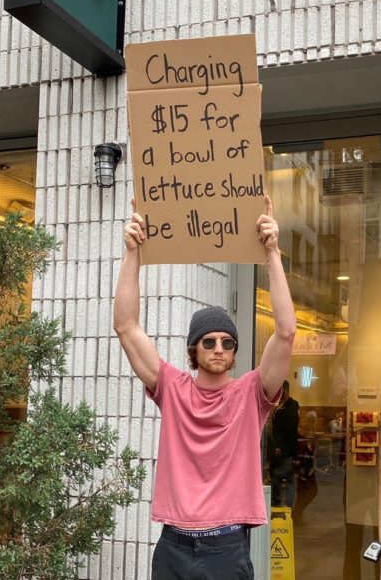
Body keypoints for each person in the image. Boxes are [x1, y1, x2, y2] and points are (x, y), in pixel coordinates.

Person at [113, 196, 295, 580]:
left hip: (226, 548)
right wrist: (132, 253)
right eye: (208, 341)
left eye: (227, 342)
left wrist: (273, 253)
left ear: (234, 351)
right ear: (194, 348)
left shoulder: (252, 393)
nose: (218, 348)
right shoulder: (172, 387)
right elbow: (126, 327)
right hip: (174, 545)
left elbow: (286, 331)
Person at [270, 380, 300, 507]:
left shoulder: (291, 406)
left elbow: (290, 430)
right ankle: (277, 505)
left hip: (284, 450)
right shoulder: (279, 405)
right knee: (276, 478)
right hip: (277, 448)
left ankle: (287, 507)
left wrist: (282, 448)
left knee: (286, 479)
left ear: (285, 390)